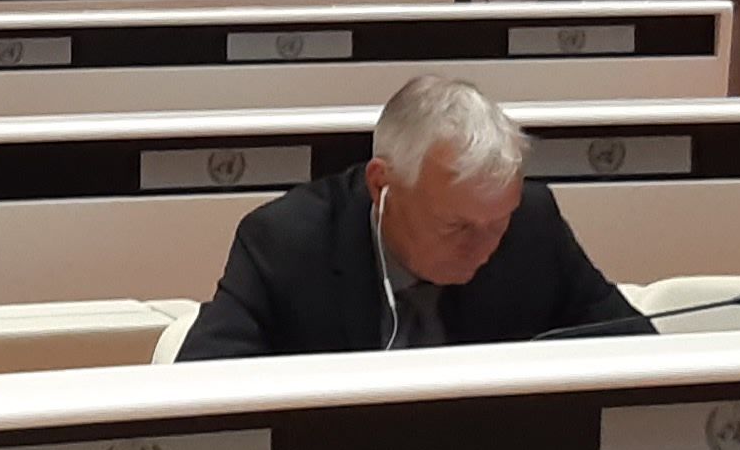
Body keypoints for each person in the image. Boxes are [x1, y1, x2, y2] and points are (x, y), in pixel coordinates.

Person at [177, 74, 649, 358]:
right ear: (382, 184)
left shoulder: (531, 225)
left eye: (497, 222)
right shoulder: (285, 244)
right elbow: (204, 389)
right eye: (458, 226)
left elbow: (635, 352)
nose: (484, 247)